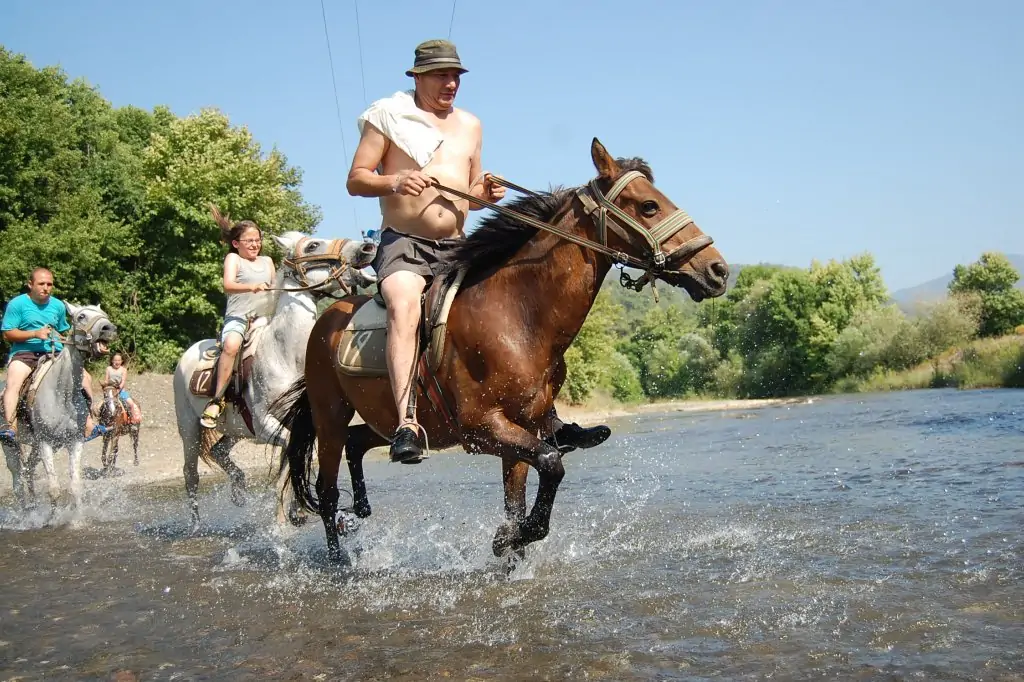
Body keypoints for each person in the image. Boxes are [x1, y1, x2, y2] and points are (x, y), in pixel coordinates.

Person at [347, 39, 610, 464]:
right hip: (405, 244)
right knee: (404, 307)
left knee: (513, 311)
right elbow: (356, 179)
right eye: (441, 75)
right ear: (417, 78)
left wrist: (485, 193)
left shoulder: (470, 125)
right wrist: (393, 182)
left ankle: (548, 417)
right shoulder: (387, 117)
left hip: (456, 247)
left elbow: (468, 196)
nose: (451, 83)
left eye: (456, 75)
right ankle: (405, 423)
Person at [1, 267, 105, 443]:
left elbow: (66, 330)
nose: (46, 287)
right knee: (14, 382)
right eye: (41, 283)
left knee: (85, 378)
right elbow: (7, 333)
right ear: (30, 284)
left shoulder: (57, 305)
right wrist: (34, 334)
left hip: (55, 352)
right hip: (25, 353)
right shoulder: (17, 304)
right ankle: (11, 426)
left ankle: (88, 424)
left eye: (49, 284)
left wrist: (94, 343)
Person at [199, 207, 275, 429]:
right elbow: (228, 285)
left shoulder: (268, 261)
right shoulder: (233, 259)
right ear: (236, 243)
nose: (254, 244)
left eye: (257, 240)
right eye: (249, 240)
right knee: (231, 346)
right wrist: (252, 286)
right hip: (239, 317)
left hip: (266, 318)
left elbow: (274, 286)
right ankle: (217, 400)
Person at [104, 352, 141, 423]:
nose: (117, 362)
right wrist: (104, 385)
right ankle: (101, 419)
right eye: (115, 360)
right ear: (112, 361)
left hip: (121, 391)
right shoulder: (108, 369)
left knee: (131, 403)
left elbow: (123, 381)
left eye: (119, 360)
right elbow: (106, 380)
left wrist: (118, 389)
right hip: (110, 391)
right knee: (100, 406)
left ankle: (132, 421)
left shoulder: (123, 370)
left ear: (121, 361)